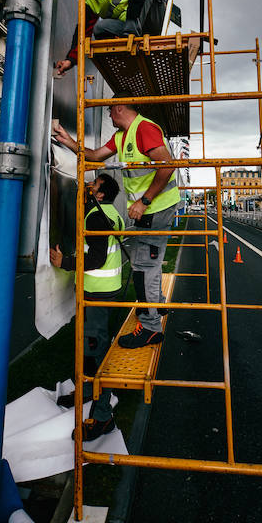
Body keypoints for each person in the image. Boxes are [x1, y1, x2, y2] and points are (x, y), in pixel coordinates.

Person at [54, 99, 180, 349]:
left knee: (144, 266)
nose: (109, 115)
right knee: (145, 262)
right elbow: (94, 155)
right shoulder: (122, 136)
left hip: (157, 207)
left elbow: (167, 166)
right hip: (150, 209)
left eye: (109, 109)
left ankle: (151, 327)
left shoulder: (144, 128)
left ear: (120, 108)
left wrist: (144, 201)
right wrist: (67, 140)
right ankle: (156, 307)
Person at [50, 173, 124, 442]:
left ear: (100, 194)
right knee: (87, 344)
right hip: (105, 290)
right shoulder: (109, 211)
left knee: (96, 352)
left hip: (98, 293)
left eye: (93, 186)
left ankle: (103, 416)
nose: (87, 187)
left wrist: (64, 262)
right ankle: (85, 391)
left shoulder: (96, 217)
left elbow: (95, 258)